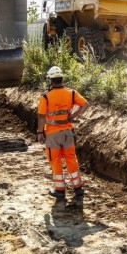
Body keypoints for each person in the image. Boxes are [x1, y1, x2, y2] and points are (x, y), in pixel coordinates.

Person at [37, 66, 89, 200]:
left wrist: (40, 132)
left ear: (50, 80)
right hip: (67, 132)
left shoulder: (45, 97)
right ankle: (78, 188)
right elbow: (85, 104)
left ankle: (60, 190)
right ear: (61, 79)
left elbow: (41, 117)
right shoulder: (71, 93)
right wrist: (74, 115)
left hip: (53, 134)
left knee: (55, 160)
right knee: (71, 159)